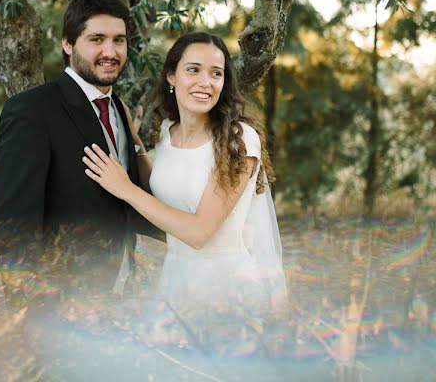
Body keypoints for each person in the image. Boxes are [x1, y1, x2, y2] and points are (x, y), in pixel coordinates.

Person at [82, 32, 287, 325]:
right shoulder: (168, 131)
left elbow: (199, 232)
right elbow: (166, 191)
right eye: (193, 70)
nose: (205, 82)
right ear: (171, 77)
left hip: (226, 288)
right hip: (176, 280)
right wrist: (134, 139)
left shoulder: (239, 141)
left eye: (216, 73)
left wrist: (125, 189)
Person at [0, 0, 158, 304]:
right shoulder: (32, 110)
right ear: (68, 43)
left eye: (119, 40)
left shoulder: (118, 108)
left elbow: (121, 205)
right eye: (97, 39)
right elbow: (11, 225)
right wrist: (35, 309)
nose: (111, 51)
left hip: (119, 296)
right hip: (62, 304)